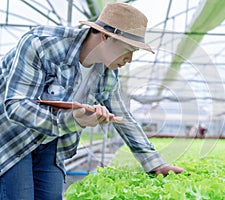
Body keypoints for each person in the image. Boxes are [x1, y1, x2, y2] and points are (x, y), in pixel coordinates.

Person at [0, 2, 184, 199]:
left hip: (52, 143)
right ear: (105, 37)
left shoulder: (107, 74)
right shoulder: (42, 43)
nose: (130, 59)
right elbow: (16, 105)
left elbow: (123, 117)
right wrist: (75, 120)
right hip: (11, 137)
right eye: (128, 49)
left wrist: (156, 164)